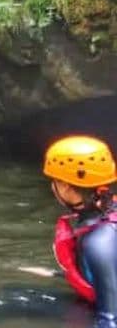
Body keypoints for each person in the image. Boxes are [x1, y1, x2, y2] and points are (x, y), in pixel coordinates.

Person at [43, 135, 117, 328]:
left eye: (54, 181)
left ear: (66, 187)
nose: (52, 187)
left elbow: (110, 320)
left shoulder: (97, 242)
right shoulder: (105, 213)